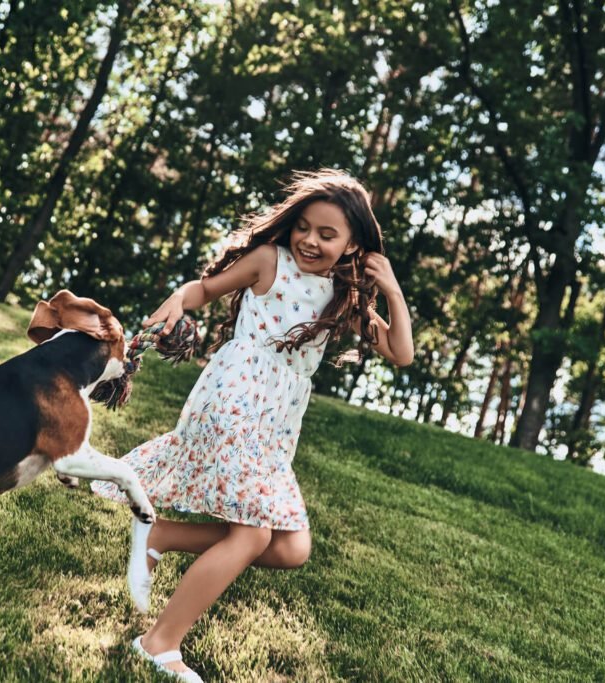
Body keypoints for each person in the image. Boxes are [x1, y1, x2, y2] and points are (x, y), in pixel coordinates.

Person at [91, 168, 414, 681]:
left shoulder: (342, 297)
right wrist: (178, 299)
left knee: (290, 547)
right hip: (234, 397)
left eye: (328, 235)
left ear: (355, 245)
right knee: (252, 533)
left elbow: (401, 352)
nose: (310, 240)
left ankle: (161, 536)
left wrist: (391, 290)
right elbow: (205, 289)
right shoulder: (271, 261)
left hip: (276, 421)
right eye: (304, 226)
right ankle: (158, 642)